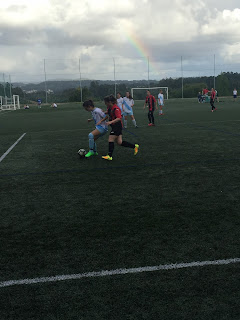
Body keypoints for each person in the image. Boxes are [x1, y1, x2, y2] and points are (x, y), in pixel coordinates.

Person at [100, 95, 139, 161]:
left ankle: (109, 156)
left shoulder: (116, 108)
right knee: (119, 142)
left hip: (117, 126)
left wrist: (111, 122)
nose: (105, 103)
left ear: (109, 102)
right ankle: (135, 146)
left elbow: (119, 118)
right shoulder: (109, 108)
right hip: (114, 126)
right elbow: (109, 112)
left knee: (110, 139)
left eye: (106, 102)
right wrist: (103, 112)